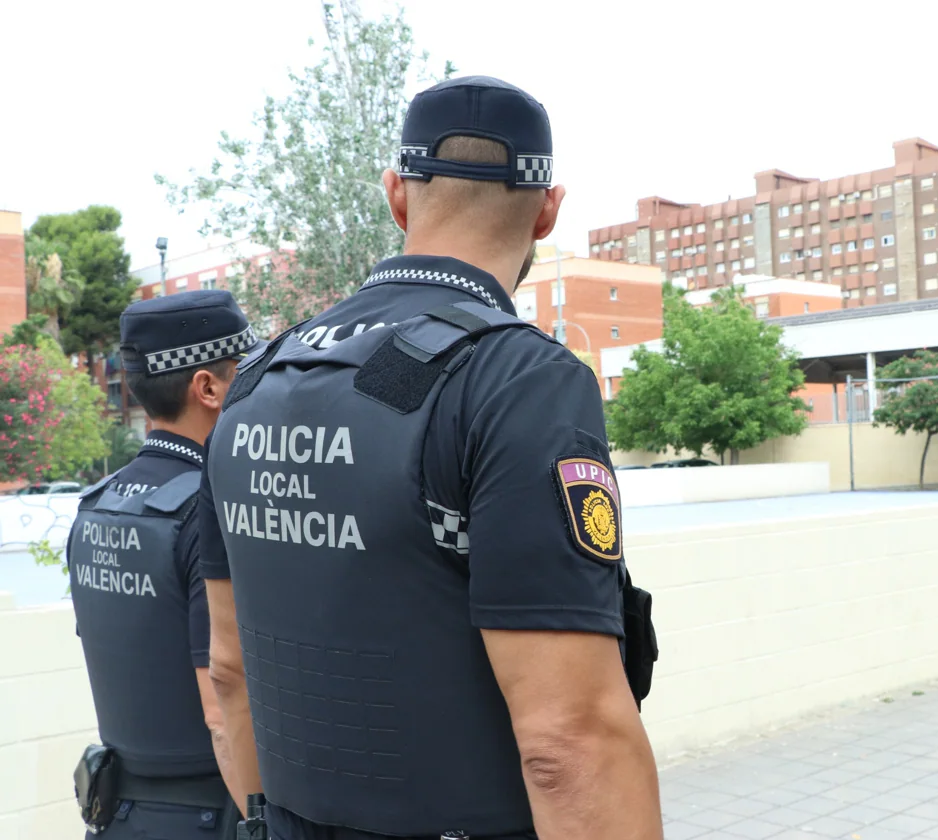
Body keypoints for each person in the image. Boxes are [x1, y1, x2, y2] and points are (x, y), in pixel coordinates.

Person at [199, 75, 662, 840]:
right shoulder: (518, 382)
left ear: (398, 196)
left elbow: (228, 673)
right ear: (549, 209)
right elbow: (568, 741)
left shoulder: (258, 381)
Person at [67, 291, 262, 838]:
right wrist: (263, 820)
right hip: (209, 814)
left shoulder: (95, 506)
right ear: (207, 388)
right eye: (244, 371)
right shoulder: (205, 510)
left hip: (116, 817)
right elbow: (221, 701)